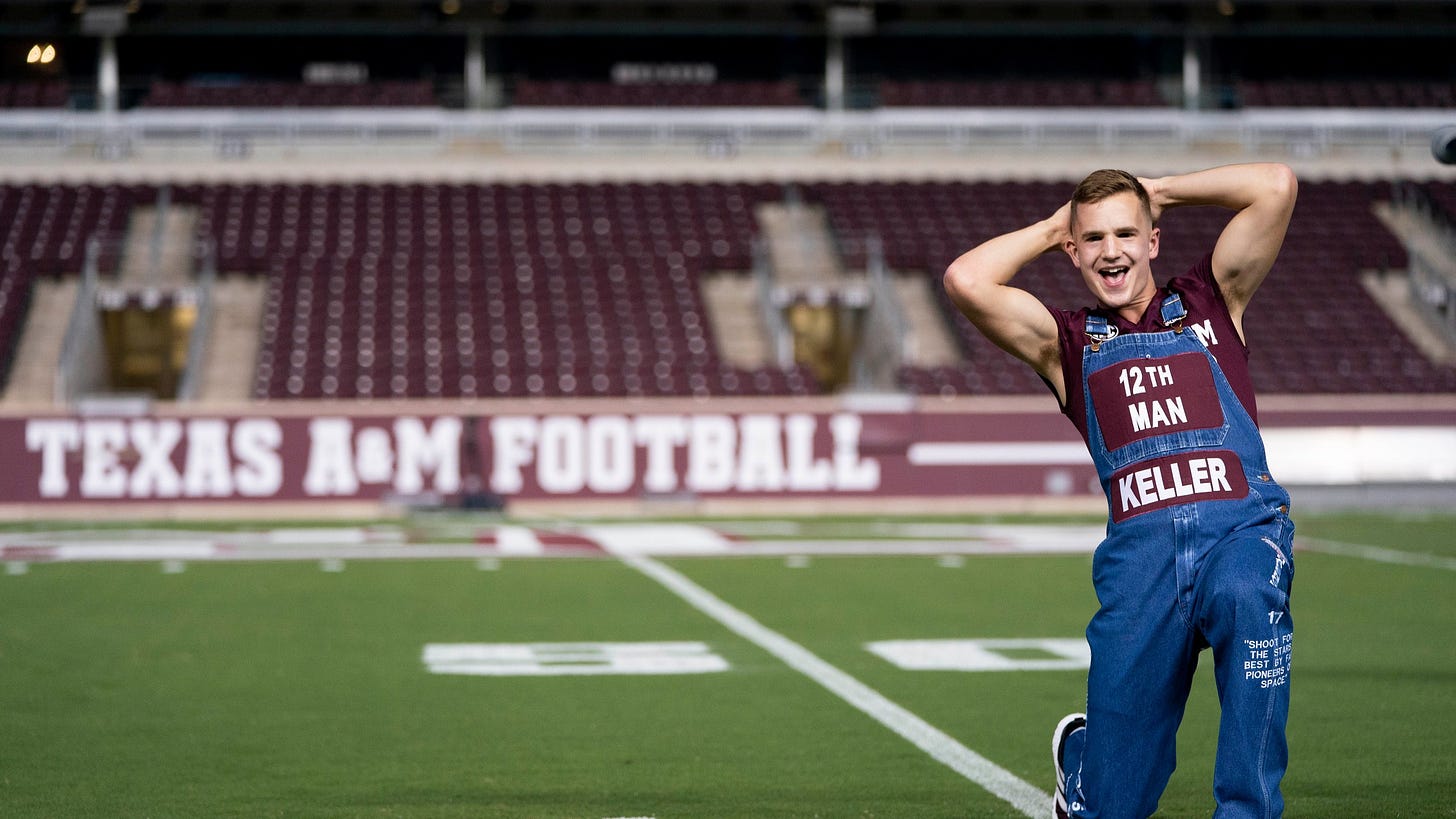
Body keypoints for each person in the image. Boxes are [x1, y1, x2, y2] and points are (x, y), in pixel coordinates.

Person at [943, 163, 1299, 818]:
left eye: (1128, 233)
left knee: (1250, 600)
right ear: (1075, 252)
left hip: (1239, 536)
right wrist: (1056, 225)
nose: (1113, 251)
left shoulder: (1211, 301)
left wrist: (1156, 190)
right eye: (1095, 239)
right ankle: (1087, 771)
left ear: (1154, 240)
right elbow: (967, 281)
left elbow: (1275, 185)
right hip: (1142, 570)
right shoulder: (1067, 344)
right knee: (1115, 805)